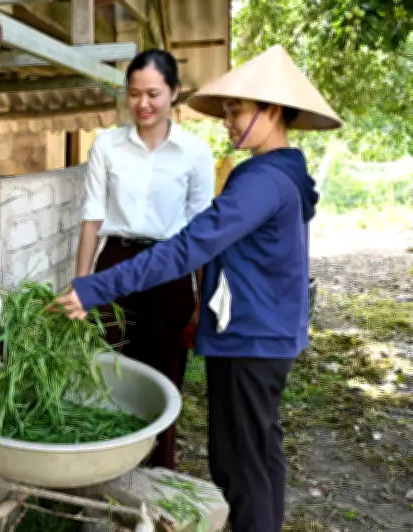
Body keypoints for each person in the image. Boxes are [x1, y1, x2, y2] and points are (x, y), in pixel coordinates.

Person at [52, 45, 342, 532]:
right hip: (266, 332)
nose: (227, 121)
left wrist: (97, 287)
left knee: (237, 464)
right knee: (260, 453)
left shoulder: (262, 182)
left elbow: (188, 248)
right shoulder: (284, 172)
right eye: (226, 109)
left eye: (237, 110)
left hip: (251, 336)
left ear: (271, 111)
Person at [74, 49, 215, 470]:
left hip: (171, 268)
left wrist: (200, 301)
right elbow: (91, 218)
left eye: (153, 93)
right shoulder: (107, 145)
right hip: (115, 263)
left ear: (174, 93)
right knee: (109, 369)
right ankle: (110, 467)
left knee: (164, 373)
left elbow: (204, 231)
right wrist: (82, 287)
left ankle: (158, 470)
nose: (143, 104)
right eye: (134, 94)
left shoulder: (195, 151)